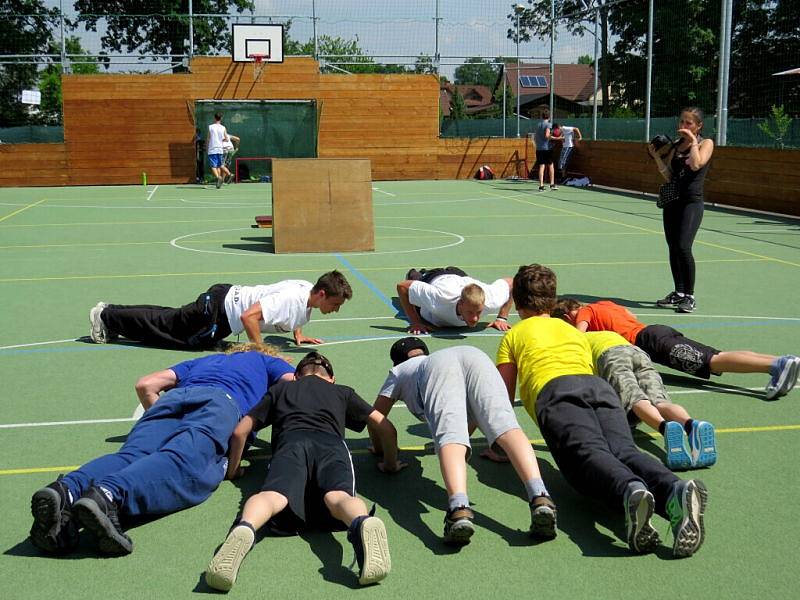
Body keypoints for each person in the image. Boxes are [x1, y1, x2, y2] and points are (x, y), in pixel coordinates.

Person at [496, 264, 708, 558]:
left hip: (555, 392)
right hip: (599, 388)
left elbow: (502, 398)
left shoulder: (514, 335)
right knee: (624, 449)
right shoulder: (573, 332)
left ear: (518, 304)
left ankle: (630, 491)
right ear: (552, 299)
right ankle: (673, 491)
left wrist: (498, 445)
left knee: (587, 455)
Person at [28, 343, 295, 556]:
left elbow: (146, 385)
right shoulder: (266, 361)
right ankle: (109, 495)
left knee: (131, 455)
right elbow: (293, 383)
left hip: (175, 399)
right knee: (184, 462)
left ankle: (66, 489)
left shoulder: (203, 362)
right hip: (220, 404)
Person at [204, 352, 400, 590]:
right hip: (331, 446)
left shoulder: (280, 390)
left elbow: (239, 432)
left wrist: (233, 470)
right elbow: (386, 427)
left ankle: (246, 527)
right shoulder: (342, 392)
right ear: (331, 378)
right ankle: (360, 522)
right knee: (338, 496)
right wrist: (390, 464)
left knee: (274, 495)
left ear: (296, 376)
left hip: (291, 443)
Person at [368, 337, 557, 545]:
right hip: (475, 355)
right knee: (506, 424)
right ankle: (540, 495)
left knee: (449, 435)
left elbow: (375, 417)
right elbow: (472, 417)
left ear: (396, 361)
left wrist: (382, 454)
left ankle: (459, 508)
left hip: (439, 368)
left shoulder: (400, 371)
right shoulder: (433, 358)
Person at [553, 298, 800, 401]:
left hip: (650, 341)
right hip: (655, 331)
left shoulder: (583, 312)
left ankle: (775, 366)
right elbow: (630, 315)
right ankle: (781, 361)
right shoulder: (604, 305)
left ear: (566, 315)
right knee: (716, 354)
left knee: (713, 360)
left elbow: (578, 336)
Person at [88, 270, 352, 350]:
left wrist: (298, 334)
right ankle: (105, 315)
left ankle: (111, 314)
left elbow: (293, 313)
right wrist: (260, 351)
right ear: (321, 294)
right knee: (168, 329)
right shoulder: (291, 299)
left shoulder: (307, 291)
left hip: (223, 302)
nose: (335, 310)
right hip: (217, 311)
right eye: (335, 304)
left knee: (169, 319)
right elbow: (249, 316)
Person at [582, 329, 717, 470]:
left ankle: (665, 428)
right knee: (659, 400)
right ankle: (691, 425)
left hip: (612, 357)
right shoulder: (604, 333)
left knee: (634, 398)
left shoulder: (579, 340)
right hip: (638, 353)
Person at [648, 107, 714, 313]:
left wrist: (693, 141)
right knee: (673, 247)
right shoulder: (676, 146)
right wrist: (656, 156)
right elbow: (669, 176)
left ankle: (690, 296)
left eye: (689, 123)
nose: (683, 126)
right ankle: (679, 292)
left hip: (691, 203)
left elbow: (696, 164)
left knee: (684, 246)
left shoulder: (706, 143)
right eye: (681, 122)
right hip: (673, 201)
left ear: (699, 126)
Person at [396, 267, 514, 334]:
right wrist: (415, 322)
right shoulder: (440, 298)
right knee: (417, 281)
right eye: (470, 312)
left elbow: (512, 283)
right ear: (460, 304)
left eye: (478, 312)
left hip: (460, 275)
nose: (475, 318)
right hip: (435, 278)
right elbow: (403, 286)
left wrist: (501, 318)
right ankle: (416, 273)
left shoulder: (491, 300)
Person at [207, 112, 233, 189]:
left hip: (212, 148)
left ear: (214, 118)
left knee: (213, 166)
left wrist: (207, 145)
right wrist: (221, 140)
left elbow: (208, 138)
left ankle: (218, 177)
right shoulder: (223, 127)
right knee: (220, 165)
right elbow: (226, 138)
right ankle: (227, 176)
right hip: (220, 149)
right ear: (221, 118)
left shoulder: (210, 127)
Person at [533, 110, 557, 191]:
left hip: (539, 148)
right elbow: (547, 135)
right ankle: (552, 184)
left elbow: (535, 136)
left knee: (541, 166)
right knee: (550, 165)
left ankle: (541, 186)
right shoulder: (548, 124)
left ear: (542, 116)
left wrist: (537, 144)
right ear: (549, 116)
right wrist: (557, 137)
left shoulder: (538, 124)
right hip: (547, 148)